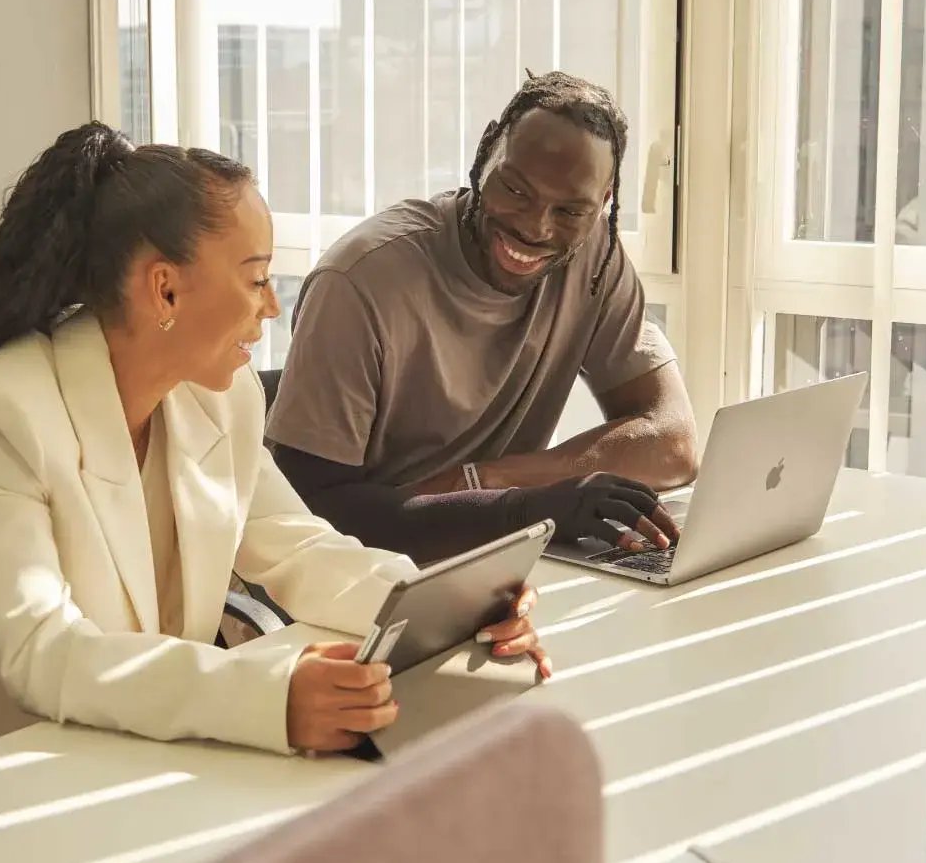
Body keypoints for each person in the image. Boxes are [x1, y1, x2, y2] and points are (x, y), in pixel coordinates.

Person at [0, 124, 548, 797]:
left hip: (99, 731)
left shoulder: (218, 398)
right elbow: (43, 652)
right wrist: (266, 699)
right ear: (165, 287)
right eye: (257, 279)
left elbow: (296, 548)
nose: (271, 308)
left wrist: (447, 610)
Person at [267, 72, 698, 564]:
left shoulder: (593, 257)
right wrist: (524, 507)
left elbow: (674, 444)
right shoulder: (360, 280)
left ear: (603, 204)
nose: (535, 227)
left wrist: (486, 480)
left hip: (487, 558)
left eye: (570, 211)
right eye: (516, 189)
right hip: (366, 575)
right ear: (487, 147)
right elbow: (312, 515)